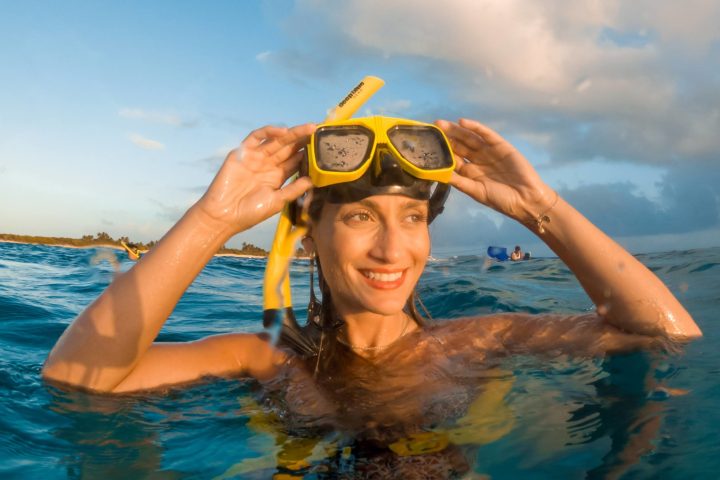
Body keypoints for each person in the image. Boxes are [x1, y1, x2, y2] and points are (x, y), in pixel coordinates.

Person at [42, 117, 701, 407]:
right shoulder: (264, 360)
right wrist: (214, 219)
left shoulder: (483, 339)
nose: (393, 248)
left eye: (412, 218)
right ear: (308, 236)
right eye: (360, 217)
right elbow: (79, 379)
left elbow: (667, 337)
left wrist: (538, 207)